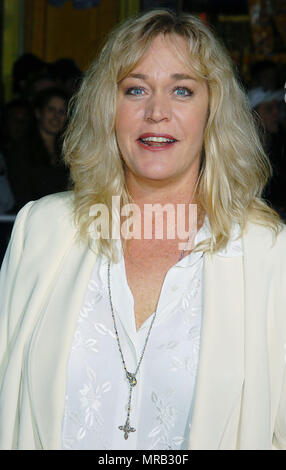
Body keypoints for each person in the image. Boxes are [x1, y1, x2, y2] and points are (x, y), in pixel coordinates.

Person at [0, 10, 285, 451]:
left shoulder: (267, 252)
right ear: (108, 108)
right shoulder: (42, 230)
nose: (156, 112)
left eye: (182, 90)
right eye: (136, 89)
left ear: (213, 111)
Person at [6, 87, 69, 211]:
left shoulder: (68, 151)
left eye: (62, 112)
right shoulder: (22, 150)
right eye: (51, 110)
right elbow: (21, 195)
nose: (56, 117)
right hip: (34, 219)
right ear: (38, 113)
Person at [248, 87, 286, 219]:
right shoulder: (242, 154)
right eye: (269, 109)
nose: (277, 113)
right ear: (253, 115)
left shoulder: (279, 144)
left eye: (278, 107)